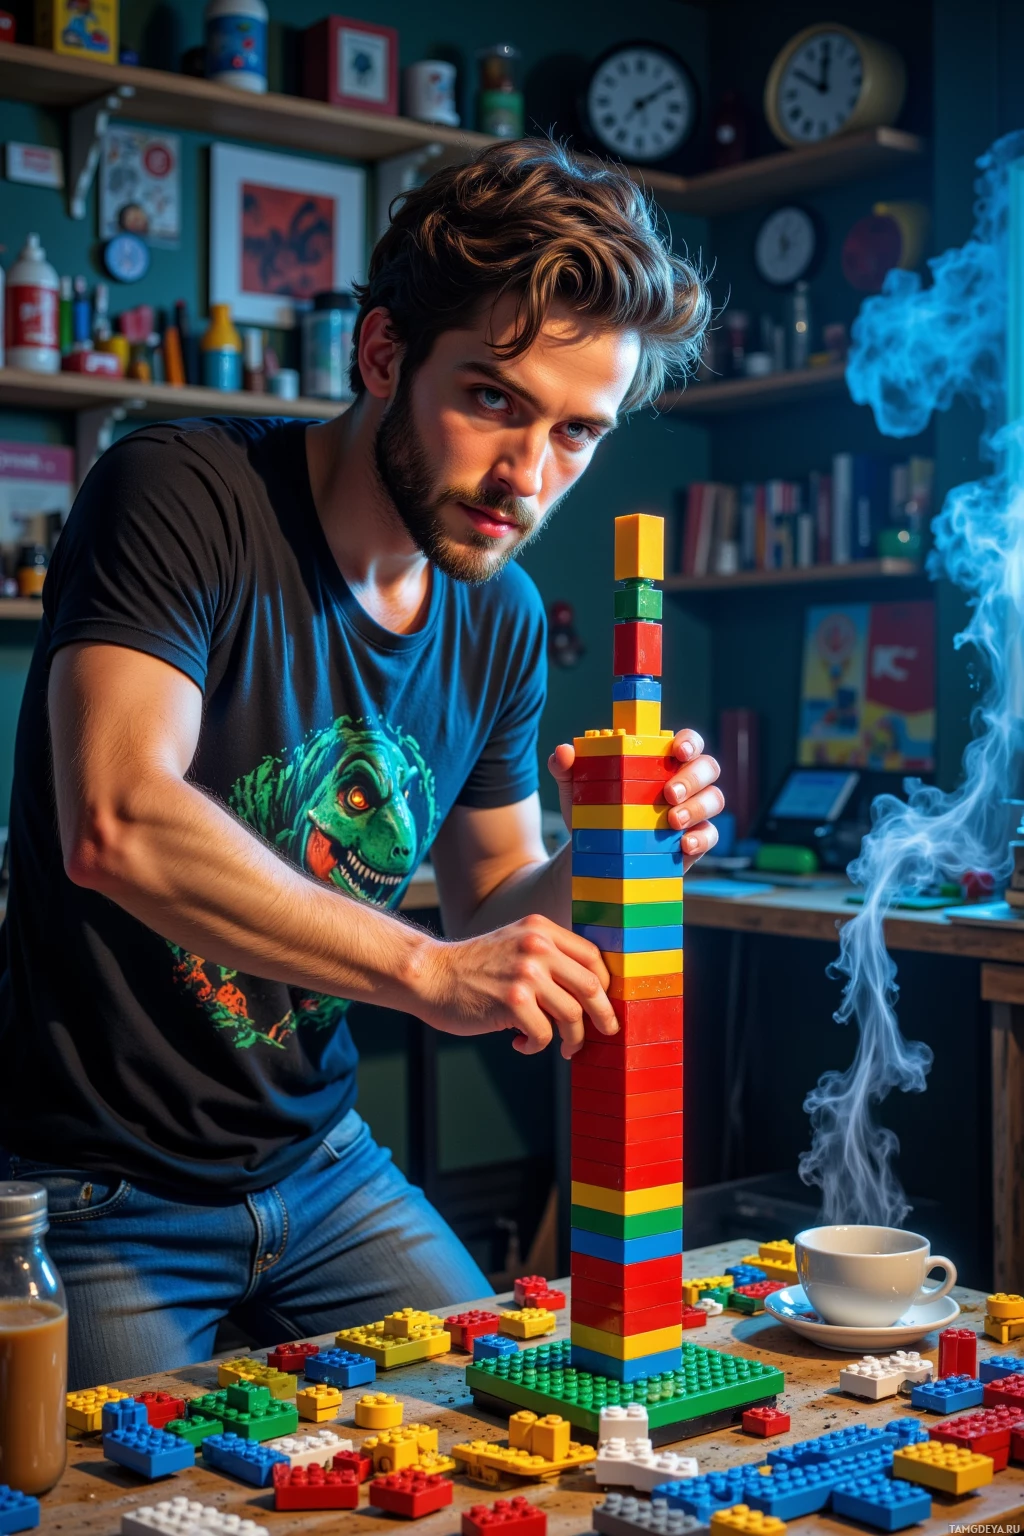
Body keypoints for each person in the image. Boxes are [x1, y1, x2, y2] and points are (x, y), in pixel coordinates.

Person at [0, 139, 723, 1388]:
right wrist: (428, 971)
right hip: (93, 1186)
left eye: (574, 434)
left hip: (321, 1165)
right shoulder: (180, 494)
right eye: (493, 400)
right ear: (382, 355)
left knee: (506, 1429)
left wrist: (613, 841)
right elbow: (115, 819)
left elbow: (497, 898)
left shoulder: (496, 615)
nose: (527, 477)